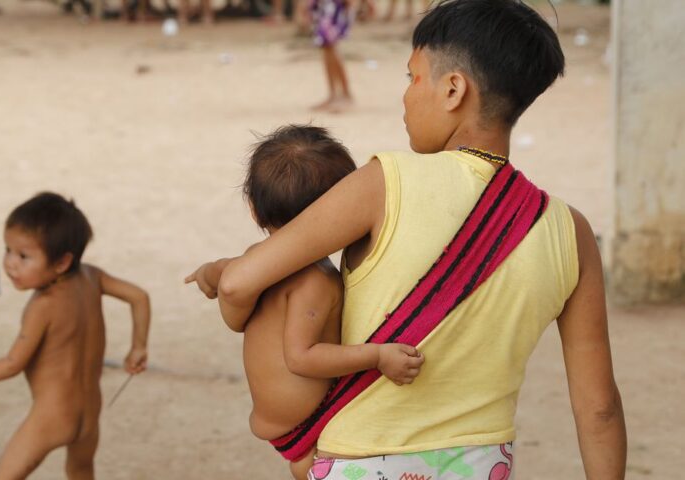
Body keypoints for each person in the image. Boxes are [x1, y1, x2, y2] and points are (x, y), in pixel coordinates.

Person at [195, 1, 627, 478]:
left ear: (453, 89)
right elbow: (599, 406)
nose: (405, 97)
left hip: (359, 462)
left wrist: (222, 287)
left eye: (412, 78)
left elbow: (238, 284)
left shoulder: (385, 182)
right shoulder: (572, 231)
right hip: (483, 464)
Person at [186, 125, 424, 479]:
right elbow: (302, 356)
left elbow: (226, 284)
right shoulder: (315, 281)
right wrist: (377, 355)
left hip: (283, 418)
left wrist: (207, 274)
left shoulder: (254, 261)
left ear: (254, 210)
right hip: (306, 425)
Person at [0, 192, 151, 480]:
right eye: (7, 250)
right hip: (89, 413)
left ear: (61, 263)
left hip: (52, 417)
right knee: (81, 471)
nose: (10, 264)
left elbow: (12, 363)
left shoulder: (43, 305)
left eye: (23, 256)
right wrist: (138, 346)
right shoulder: (93, 277)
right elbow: (139, 297)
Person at [310, 0, 352, 112]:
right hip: (323, 5)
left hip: (333, 5)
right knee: (327, 48)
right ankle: (334, 94)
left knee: (331, 47)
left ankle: (345, 94)